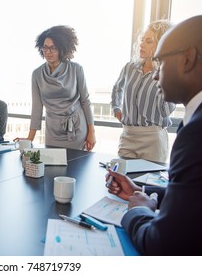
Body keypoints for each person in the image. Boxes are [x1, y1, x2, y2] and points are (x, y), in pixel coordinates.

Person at [106, 15, 202, 255]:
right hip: (129, 133)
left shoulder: (195, 134)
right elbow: (191, 193)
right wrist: (144, 191)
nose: (157, 74)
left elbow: (162, 243)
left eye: (161, 60)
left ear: (188, 58)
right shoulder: (193, 122)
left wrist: (137, 209)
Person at [16, 25, 96, 151]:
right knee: (52, 167)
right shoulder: (37, 74)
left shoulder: (76, 69)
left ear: (62, 49)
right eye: (45, 48)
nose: (48, 52)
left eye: (53, 48)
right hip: (53, 131)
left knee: (76, 167)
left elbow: (85, 101)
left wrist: (92, 132)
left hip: (76, 129)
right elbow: (37, 107)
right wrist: (29, 138)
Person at [111, 20, 176, 163]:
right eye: (142, 40)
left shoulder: (166, 73)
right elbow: (117, 88)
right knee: (121, 180)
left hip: (153, 138)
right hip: (128, 135)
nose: (141, 44)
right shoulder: (130, 67)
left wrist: (162, 74)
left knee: (146, 183)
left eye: (148, 41)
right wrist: (116, 108)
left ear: (161, 44)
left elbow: (166, 111)